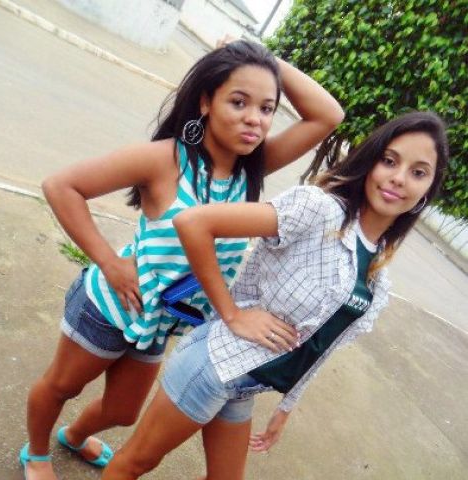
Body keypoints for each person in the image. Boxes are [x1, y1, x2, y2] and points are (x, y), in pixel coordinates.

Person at [19, 39, 344, 480]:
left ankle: (73, 436)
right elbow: (61, 186)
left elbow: (327, 116)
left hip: (159, 320)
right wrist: (109, 262)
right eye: (239, 102)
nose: (254, 118)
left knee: (123, 412)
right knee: (62, 385)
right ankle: (37, 453)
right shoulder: (165, 159)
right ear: (206, 102)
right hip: (109, 305)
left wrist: (263, 58)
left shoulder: (251, 167)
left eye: (266, 108)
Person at [100, 111, 449, 480]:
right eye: (390, 161)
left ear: (427, 192)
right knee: (136, 462)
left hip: (245, 384)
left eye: (418, 172)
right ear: (371, 161)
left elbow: (322, 346)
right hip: (213, 365)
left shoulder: (378, 275)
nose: (399, 178)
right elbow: (194, 223)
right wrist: (232, 314)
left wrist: (287, 406)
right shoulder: (320, 211)